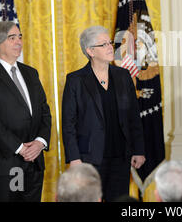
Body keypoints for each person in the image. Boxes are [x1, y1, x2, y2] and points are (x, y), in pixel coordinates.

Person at [0, 21, 52, 202]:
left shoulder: (31, 73)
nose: (19, 42)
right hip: (5, 165)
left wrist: (40, 142)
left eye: (20, 37)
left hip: (35, 164)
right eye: (12, 38)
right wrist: (21, 148)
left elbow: (44, 112)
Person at [62, 26, 145, 202]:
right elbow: (68, 124)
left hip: (121, 157)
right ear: (90, 51)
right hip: (89, 159)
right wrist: (74, 158)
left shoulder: (123, 75)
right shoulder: (75, 80)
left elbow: (133, 117)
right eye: (104, 44)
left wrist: (138, 150)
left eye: (110, 43)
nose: (110, 47)